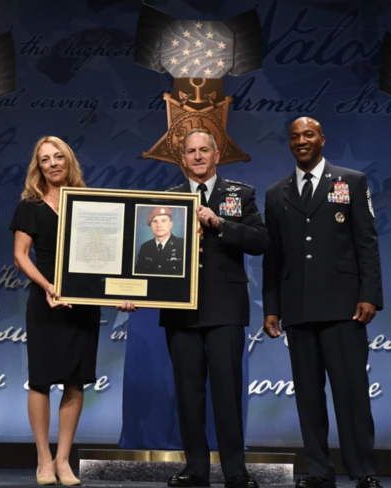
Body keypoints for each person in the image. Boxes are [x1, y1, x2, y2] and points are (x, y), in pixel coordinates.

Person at [261, 117, 383, 488]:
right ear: (290, 144)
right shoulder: (275, 193)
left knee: (351, 395)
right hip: (297, 309)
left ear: (322, 140)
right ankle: (319, 470)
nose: (301, 141)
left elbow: (367, 242)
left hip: (345, 307)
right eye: (295, 136)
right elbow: (273, 257)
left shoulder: (351, 182)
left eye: (308, 135)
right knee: (309, 398)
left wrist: (369, 295)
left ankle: (363, 471)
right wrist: (271, 306)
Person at [10, 136, 134, 486]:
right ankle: (43, 459)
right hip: (46, 302)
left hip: (83, 305)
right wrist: (48, 286)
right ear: (39, 166)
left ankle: (64, 461)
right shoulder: (29, 205)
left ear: (68, 161)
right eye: (45, 159)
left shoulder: (91, 203)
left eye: (58, 156)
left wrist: (119, 294)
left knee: (75, 380)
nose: (52, 163)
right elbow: (21, 256)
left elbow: (106, 258)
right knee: (40, 380)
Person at [162, 129, 268, 488]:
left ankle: (236, 470)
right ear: (183, 159)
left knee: (227, 390)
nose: (197, 156)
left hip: (225, 308)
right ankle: (195, 468)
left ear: (216, 154)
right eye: (190, 151)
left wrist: (219, 224)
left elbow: (259, 240)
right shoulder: (167, 200)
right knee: (188, 391)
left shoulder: (241, 194)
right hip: (181, 309)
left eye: (203, 150)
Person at [134, 206, 185, 276]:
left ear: (171, 224)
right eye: (155, 221)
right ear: (150, 225)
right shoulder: (145, 247)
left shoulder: (183, 245)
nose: (159, 225)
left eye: (163, 221)